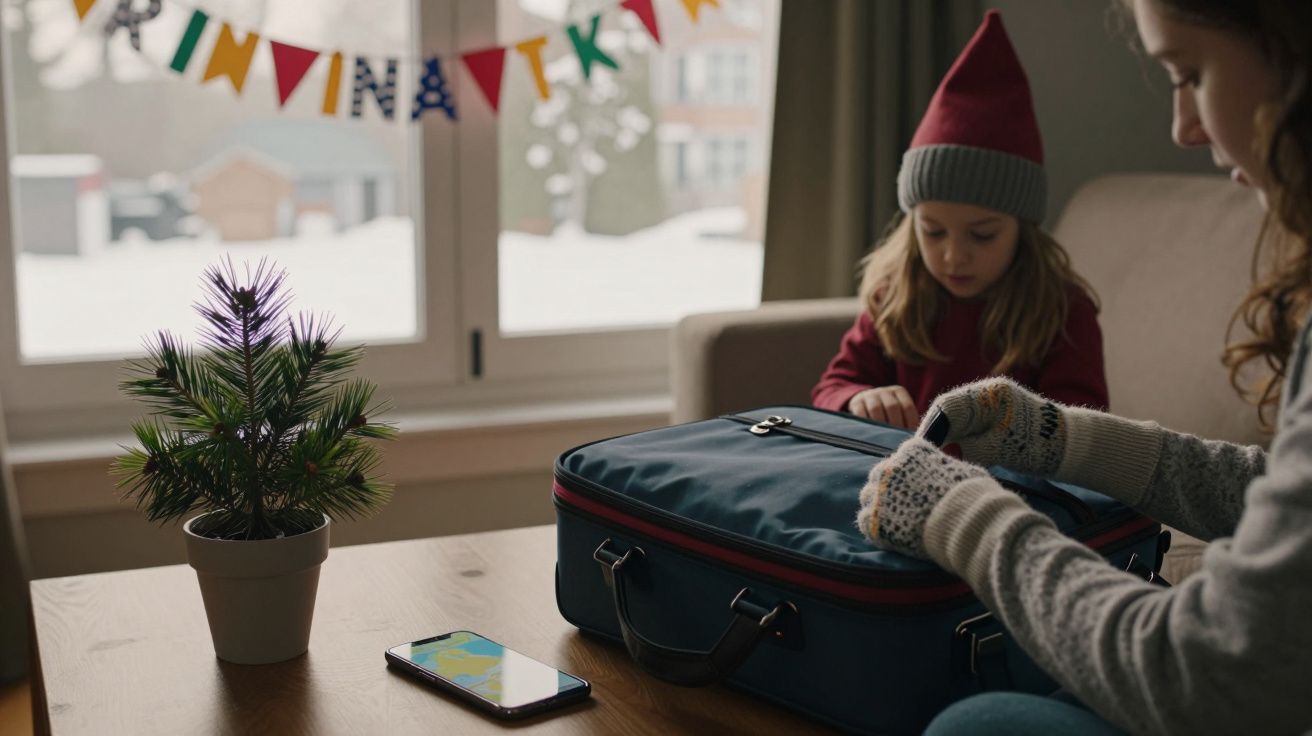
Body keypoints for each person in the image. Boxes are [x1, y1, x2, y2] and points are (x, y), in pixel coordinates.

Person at [858, 1, 1312, 733]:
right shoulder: (894, 295)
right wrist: (1060, 437)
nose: (1183, 127)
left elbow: (1213, 674)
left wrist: (963, 514)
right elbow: (1281, 495)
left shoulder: (1061, 304)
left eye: (1190, 74)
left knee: (974, 727)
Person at [810, 11, 1107, 429]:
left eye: (982, 235)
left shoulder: (1063, 313)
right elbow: (832, 386)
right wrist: (860, 398)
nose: (953, 256)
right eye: (932, 232)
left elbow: (1086, 428)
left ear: (1022, 229)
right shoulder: (894, 295)